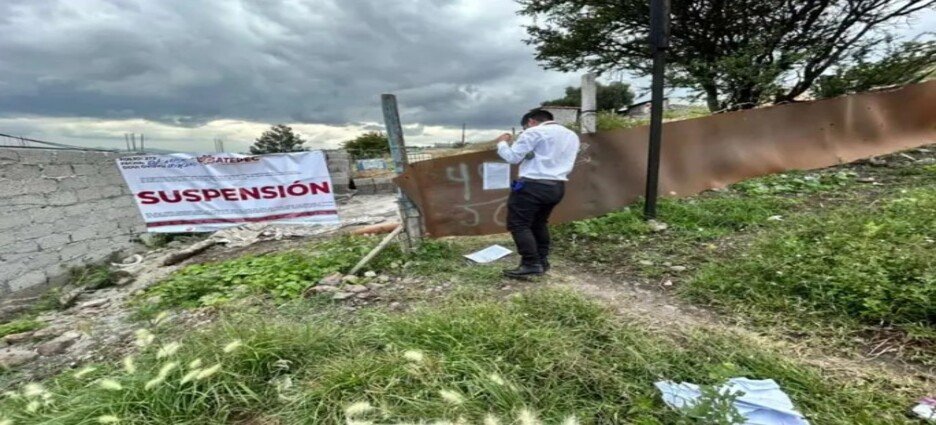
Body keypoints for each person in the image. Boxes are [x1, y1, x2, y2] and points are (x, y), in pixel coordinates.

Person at [495, 109, 580, 278]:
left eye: (525, 127)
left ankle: (530, 264)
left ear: (531, 122)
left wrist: (502, 142)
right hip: (557, 186)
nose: (525, 131)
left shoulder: (534, 132)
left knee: (518, 224)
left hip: (532, 186)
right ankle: (542, 261)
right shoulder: (571, 135)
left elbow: (512, 157)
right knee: (539, 223)